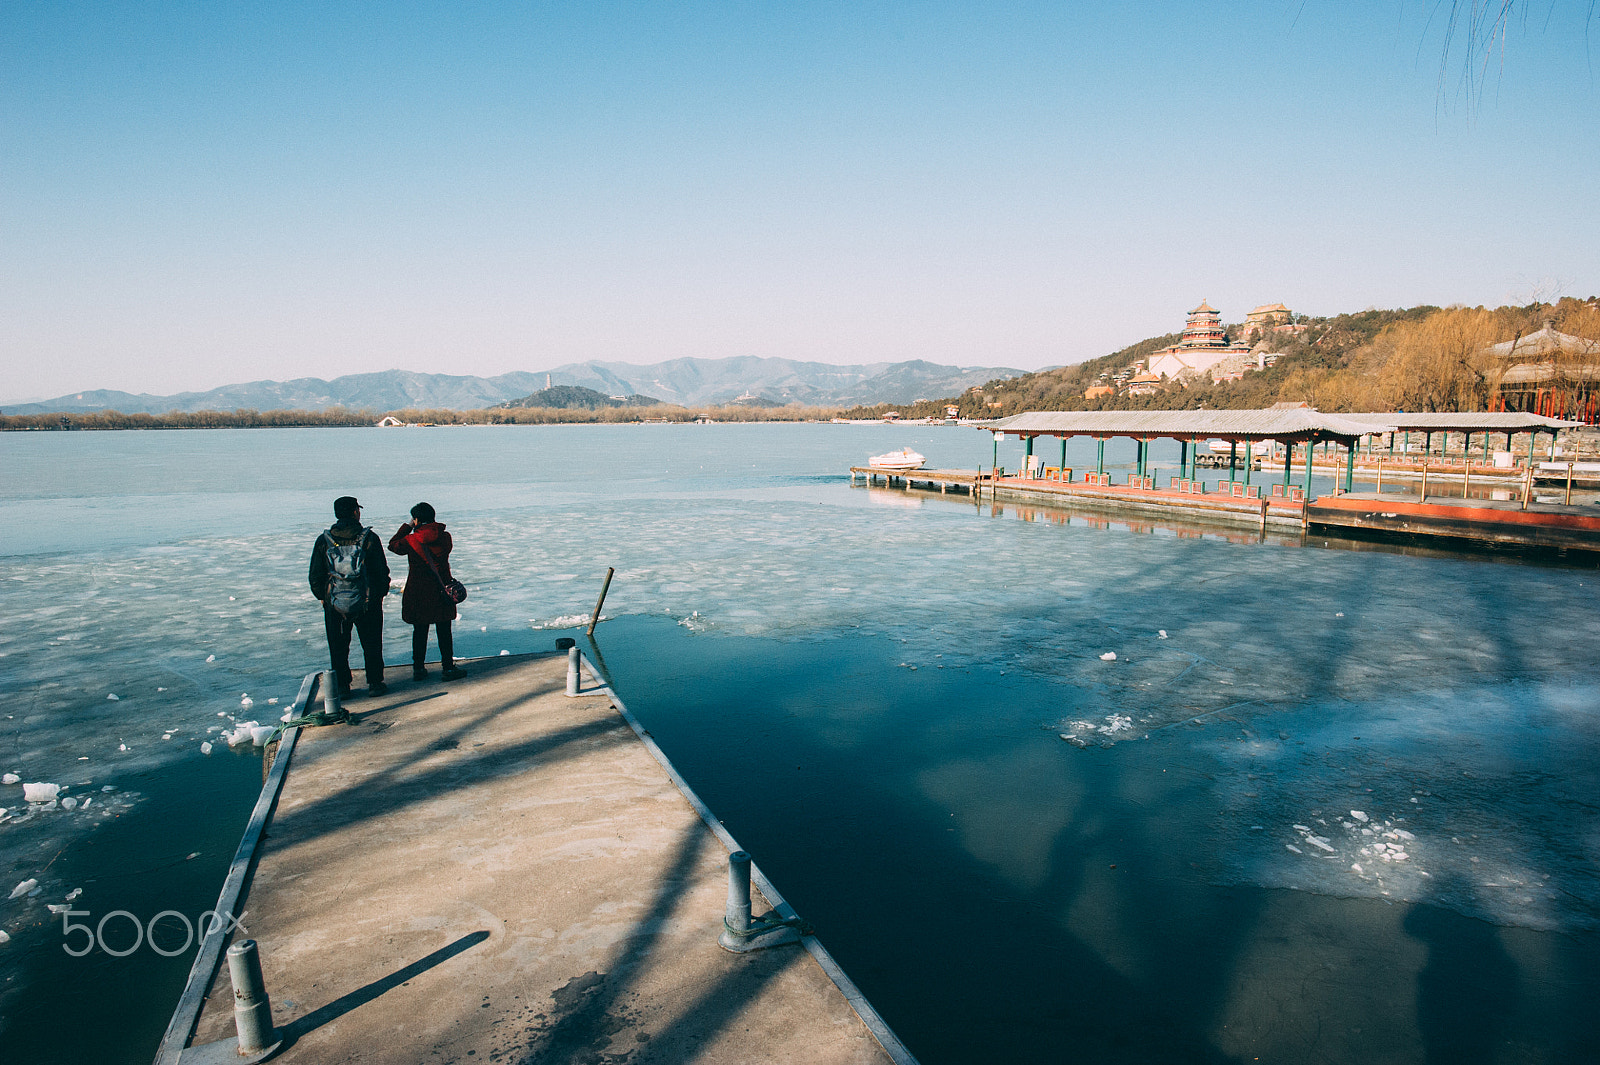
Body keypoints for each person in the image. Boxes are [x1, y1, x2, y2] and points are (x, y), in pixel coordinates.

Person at [308, 496, 390, 696]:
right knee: (371, 644)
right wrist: (379, 595)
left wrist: (325, 598)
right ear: (355, 512)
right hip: (367, 601)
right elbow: (381, 572)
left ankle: (343, 686)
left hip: (335, 604)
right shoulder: (369, 538)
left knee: (338, 647)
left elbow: (315, 575)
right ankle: (375, 683)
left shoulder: (324, 540)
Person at [389, 502, 466, 681]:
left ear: (416, 520)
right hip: (442, 590)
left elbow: (392, 545)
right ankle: (448, 668)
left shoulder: (410, 540)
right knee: (444, 630)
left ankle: (418, 669)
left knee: (420, 630)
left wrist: (407, 527)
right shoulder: (445, 537)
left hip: (419, 592)